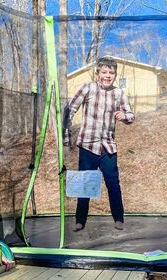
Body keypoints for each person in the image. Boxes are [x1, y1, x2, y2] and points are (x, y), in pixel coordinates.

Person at [63, 56, 135, 231]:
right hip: (88, 145)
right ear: (97, 74)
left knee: (113, 184)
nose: (107, 76)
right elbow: (70, 109)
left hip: (108, 147)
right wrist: (66, 130)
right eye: (104, 72)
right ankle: (80, 221)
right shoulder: (88, 88)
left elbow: (131, 116)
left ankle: (119, 218)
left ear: (115, 75)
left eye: (111, 73)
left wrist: (124, 116)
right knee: (85, 183)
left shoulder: (118, 93)